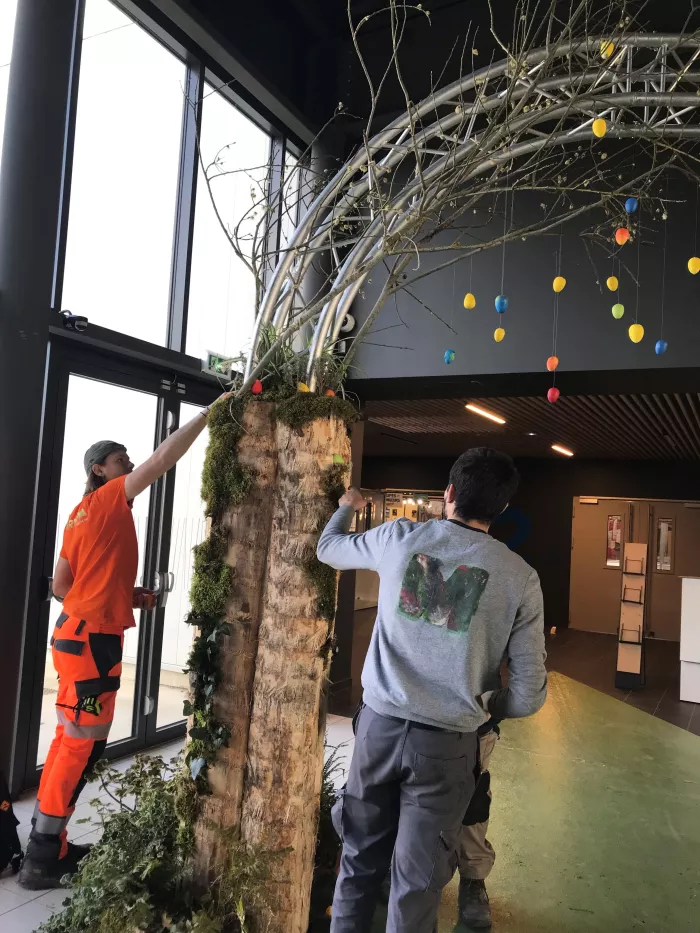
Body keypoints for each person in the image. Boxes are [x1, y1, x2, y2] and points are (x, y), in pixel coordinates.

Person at [317, 447, 547, 933]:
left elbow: (329, 547)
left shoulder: (398, 537)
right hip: (447, 748)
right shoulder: (521, 580)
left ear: (448, 494)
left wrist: (349, 505)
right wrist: (486, 709)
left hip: (377, 731)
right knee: (417, 885)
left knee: (357, 865)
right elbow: (528, 695)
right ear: (501, 509)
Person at [19, 393, 231, 890]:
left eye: (128, 460)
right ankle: (42, 858)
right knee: (79, 746)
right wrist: (207, 414)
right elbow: (162, 460)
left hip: (77, 635)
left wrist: (122, 598)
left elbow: (62, 586)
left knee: (70, 741)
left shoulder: (79, 514)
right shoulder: (109, 497)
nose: (130, 464)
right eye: (121, 460)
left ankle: (51, 844)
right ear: (98, 469)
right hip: (92, 643)